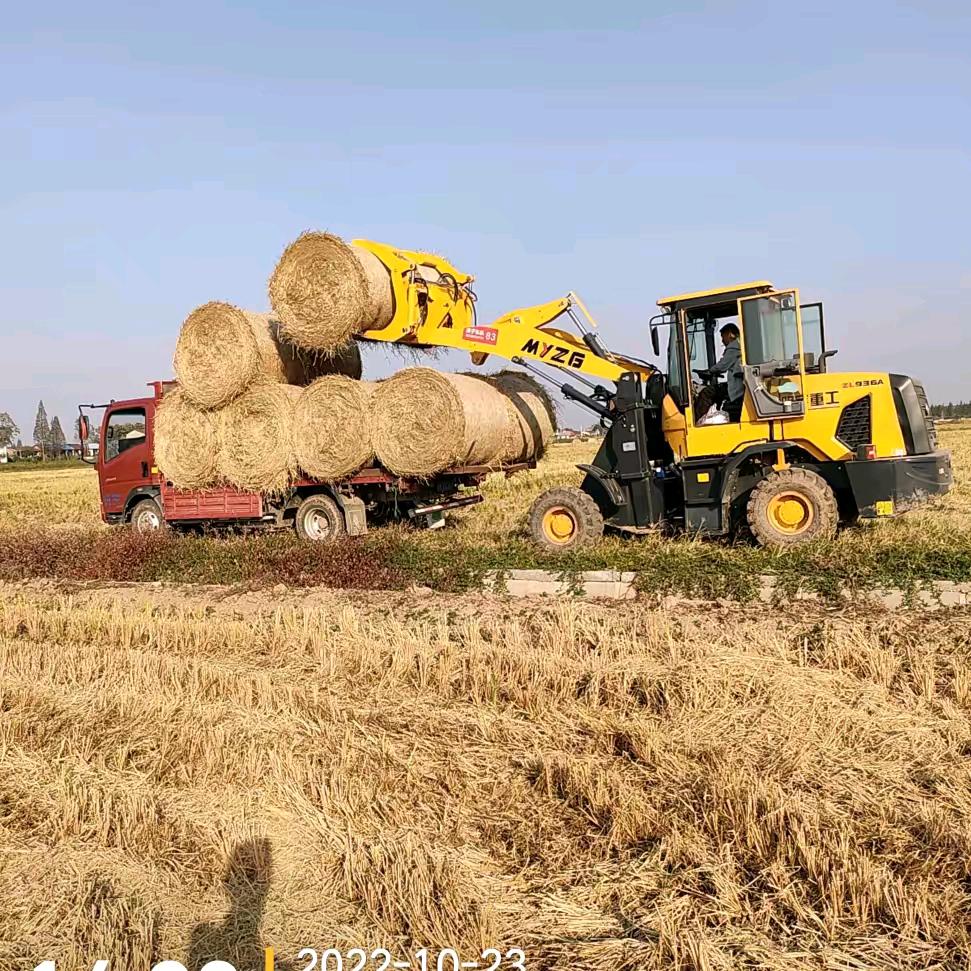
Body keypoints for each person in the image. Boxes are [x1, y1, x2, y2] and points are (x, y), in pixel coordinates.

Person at [694, 323, 744, 422]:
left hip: (737, 389)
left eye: (723, 337)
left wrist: (710, 371)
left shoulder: (734, 346)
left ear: (730, 334)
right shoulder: (741, 345)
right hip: (739, 386)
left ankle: (699, 420)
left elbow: (722, 366)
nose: (722, 340)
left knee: (707, 392)